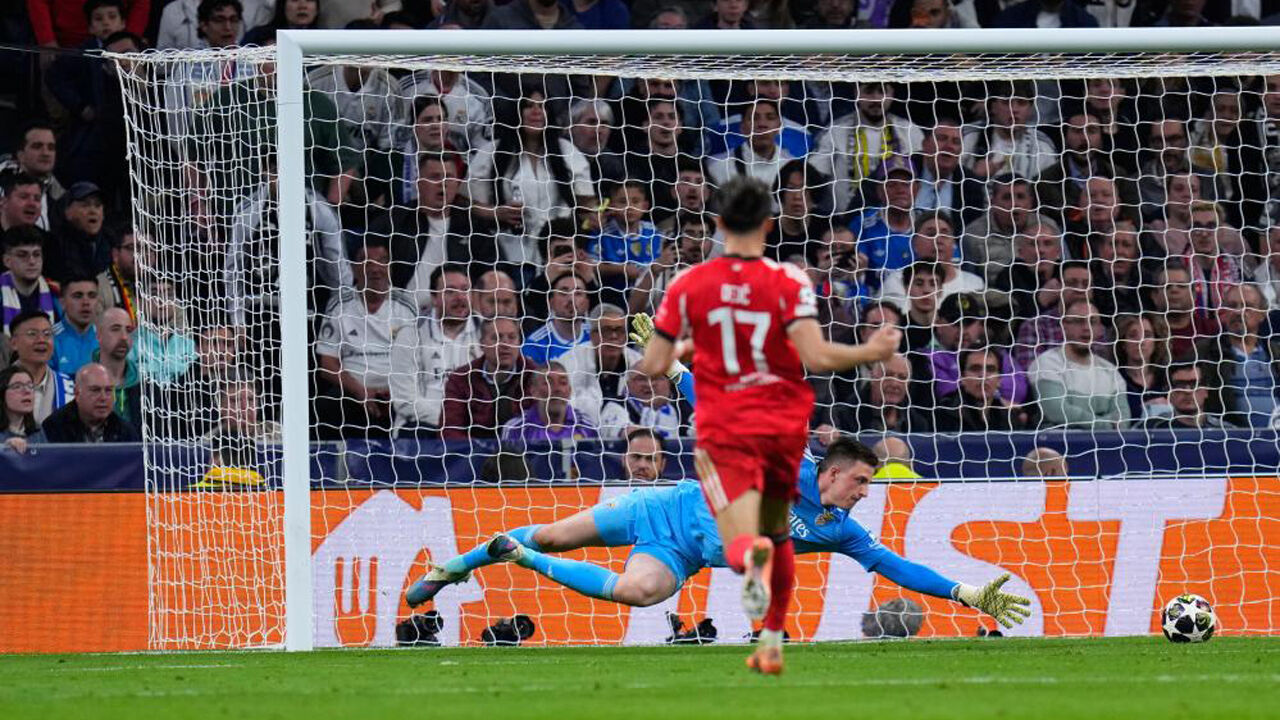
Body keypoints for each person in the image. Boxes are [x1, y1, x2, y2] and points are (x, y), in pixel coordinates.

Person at [634, 176, 901, 674]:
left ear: (717, 223)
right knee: (780, 536)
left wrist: (682, 350)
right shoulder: (789, 281)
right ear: (768, 225)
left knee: (740, 540)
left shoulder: (689, 284)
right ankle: (772, 642)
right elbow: (818, 355)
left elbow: (652, 365)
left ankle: (746, 559)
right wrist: (873, 350)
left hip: (724, 429)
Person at [407, 439, 1029, 649]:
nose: (867, 493)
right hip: (665, 507)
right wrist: (677, 369)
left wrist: (967, 591)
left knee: (642, 593)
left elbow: (894, 564)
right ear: (833, 473)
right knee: (554, 533)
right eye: (863, 481)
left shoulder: (841, 529)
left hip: (678, 554)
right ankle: (454, 567)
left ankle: (520, 558)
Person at [314, 239, 417, 438]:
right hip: (352, 390)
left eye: (382, 261)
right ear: (353, 269)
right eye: (367, 262)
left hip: (396, 391)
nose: (375, 269)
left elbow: (416, 361)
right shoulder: (339, 304)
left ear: (390, 267)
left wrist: (393, 391)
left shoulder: (406, 305)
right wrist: (361, 391)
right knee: (328, 405)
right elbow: (327, 364)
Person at [388, 264, 481, 437]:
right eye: (450, 291)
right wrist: (451, 421)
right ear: (434, 298)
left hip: (475, 423)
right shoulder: (410, 334)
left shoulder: (486, 331)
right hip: (424, 425)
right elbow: (404, 401)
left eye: (465, 290)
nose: (460, 297)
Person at [1028, 299, 1129, 430]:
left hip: (1106, 446)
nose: (1086, 328)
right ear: (1064, 325)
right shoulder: (1048, 363)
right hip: (1059, 445)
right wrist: (1105, 424)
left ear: (1099, 329)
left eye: (1092, 322)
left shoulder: (1110, 370)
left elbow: (1123, 418)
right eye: (1078, 321)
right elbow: (1056, 411)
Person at [441, 316, 531, 440]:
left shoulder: (535, 376)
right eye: (496, 338)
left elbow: (546, 427)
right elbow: (450, 431)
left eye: (512, 337)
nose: (505, 344)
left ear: (520, 342)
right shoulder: (461, 379)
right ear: (481, 344)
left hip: (524, 453)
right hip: (474, 454)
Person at [559, 304, 640, 428]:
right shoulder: (569, 362)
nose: (614, 336)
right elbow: (565, 406)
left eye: (619, 330)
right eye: (607, 330)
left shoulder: (638, 363)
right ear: (593, 335)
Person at [499, 362, 598, 443]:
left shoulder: (586, 426)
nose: (557, 389)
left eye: (563, 383)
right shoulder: (516, 428)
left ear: (569, 391)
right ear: (534, 392)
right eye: (548, 383)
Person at [41, 363, 139, 443]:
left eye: (108, 390)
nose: (103, 397)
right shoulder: (54, 427)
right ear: (77, 393)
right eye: (95, 390)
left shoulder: (125, 431)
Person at [8, 310, 74, 423]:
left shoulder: (68, 386)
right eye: (32, 334)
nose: (41, 340)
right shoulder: (3, 383)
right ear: (14, 343)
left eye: (47, 334)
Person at [0, 123, 63, 230]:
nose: (46, 153)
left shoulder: (60, 197)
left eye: (51, 148)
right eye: (37, 146)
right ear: (21, 155)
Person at [523, 271, 592, 365]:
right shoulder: (535, 345)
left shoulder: (596, 336)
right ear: (551, 302)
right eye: (563, 293)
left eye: (578, 293)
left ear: (587, 304)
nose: (571, 299)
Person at [1144, 361, 1236, 431]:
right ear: (1169, 391)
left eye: (1194, 385)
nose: (1188, 391)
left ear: (1206, 390)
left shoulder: (1226, 431)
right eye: (1180, 385)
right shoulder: (1151, 429)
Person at [1, 227, 59, 334]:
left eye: (36, 254)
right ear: (7, 261)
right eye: (22, 255)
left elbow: (63, 337)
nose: (32, 261)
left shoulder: (57, 294)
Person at [92, 306, 139, 430]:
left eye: (128, 330)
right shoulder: (81, 384)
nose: (124, 337)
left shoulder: (148, 389)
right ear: (98, 335)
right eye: (115, 329)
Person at [51, 275, 99, 377]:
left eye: (92, 296)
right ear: (62, 303)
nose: (86, 302)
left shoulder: (106, 340)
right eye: (78, 296)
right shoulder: (49, 340)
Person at [0, 365, 44, 453]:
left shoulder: (37, 430)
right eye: (17, 386)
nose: (27, 391)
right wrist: (3, 448)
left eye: (30, 386)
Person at [96, 229, 136, 323]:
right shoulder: (100, 287)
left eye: (147, 248)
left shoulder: (161, 287)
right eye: (131, 248)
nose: (139, 255)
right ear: (115, 254)